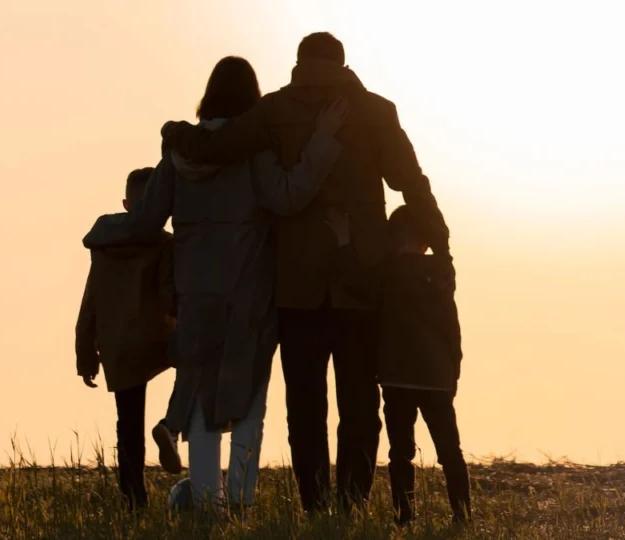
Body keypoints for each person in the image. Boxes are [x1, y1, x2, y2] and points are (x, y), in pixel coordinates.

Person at [160, 32, 451, 512]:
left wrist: (174, 132)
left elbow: (217, 145)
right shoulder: (376, 112)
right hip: (361, 280)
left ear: (299, 62)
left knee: (306, 409)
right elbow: (413, 187)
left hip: (296, 285)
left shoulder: (276, 110)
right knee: (359, 405)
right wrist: (441, 249)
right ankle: (350, 504)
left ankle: (315, 505)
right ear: (343, 63)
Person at [82, 57, 348, 510]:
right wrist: (323, 141)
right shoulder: (253, 151)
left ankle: (207, 503)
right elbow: (288, 196)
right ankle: (241, 504)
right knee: (248, 405)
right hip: (249, 292)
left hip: (195, 293)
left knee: (203, 403)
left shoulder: (178, 155)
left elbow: (146, 221)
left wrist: (101, 230)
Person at [326, 205, 470, 524]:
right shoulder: (442, 275)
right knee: (450, 452)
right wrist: (453, 374)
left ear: (395, 237)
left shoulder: (389, 272)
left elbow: (354, 282)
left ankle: (404, 516)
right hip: (436, 378)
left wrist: (343, 241)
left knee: (400, 453)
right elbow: (452, 329)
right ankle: (462, 515)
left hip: (397, 376)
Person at [74, 167, 175, 510]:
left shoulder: (104, 243)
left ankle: (134, 498)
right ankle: (173, 426)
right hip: (156, 337)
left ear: (126, 203)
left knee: (128, 424)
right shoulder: (163, 244)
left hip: (117, 344)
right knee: (197, 376)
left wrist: (85, 352)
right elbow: (168, 294)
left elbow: (91, 300)